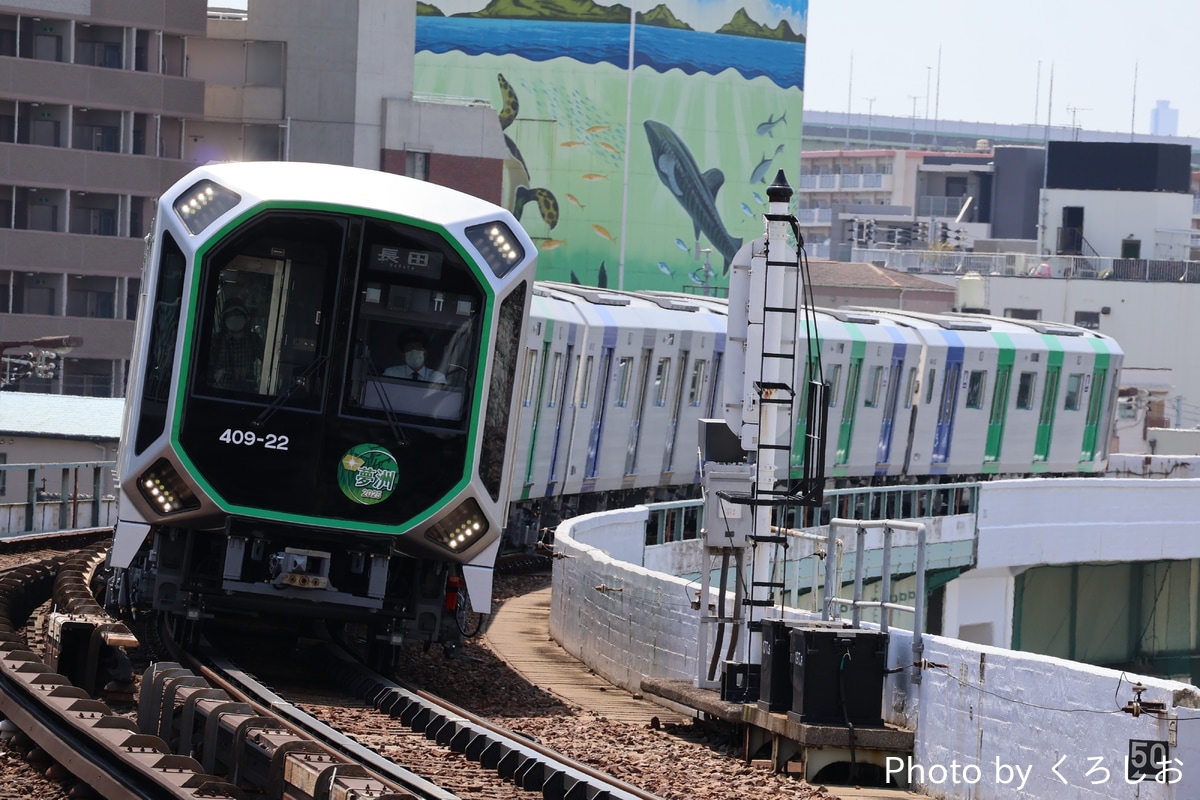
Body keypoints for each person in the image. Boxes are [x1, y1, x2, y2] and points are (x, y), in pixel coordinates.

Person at [209, 299, 265, 391]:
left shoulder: (253, 339)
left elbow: (268, 359)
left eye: (238, 314)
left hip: (248, 393)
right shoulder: (217, 340)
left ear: (245, 317)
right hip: (220, 393)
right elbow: (207, 368)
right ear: (224, 318)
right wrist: (221, 373)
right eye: (231, 315)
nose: (235, 317)